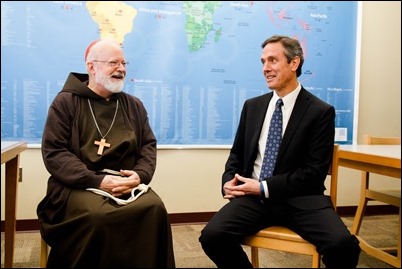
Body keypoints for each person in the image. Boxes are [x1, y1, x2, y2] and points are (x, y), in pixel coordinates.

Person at [199, 35, 361, 268]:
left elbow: (313, 173)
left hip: (302, 200)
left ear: (294, 64)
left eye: (273, 60)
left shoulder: (320, 112)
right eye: (263, 61)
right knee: (212, 237)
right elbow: (236, 156)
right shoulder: (252, 106)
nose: (266, 68)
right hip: (254, 200)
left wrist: (263, 187)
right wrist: (228, 181)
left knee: (343, 246)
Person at [37, 38, 175, 268]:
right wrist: (97, 180)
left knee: (155, 209)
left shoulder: (134, 105)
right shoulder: (66, 102)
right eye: (114, 63)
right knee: (99, 217)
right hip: (77, 185)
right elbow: (55, 152)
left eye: (124, 63)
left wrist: (140, 175)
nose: (121, 69)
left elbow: (148, 146)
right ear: (91, 66)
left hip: (125, 182)